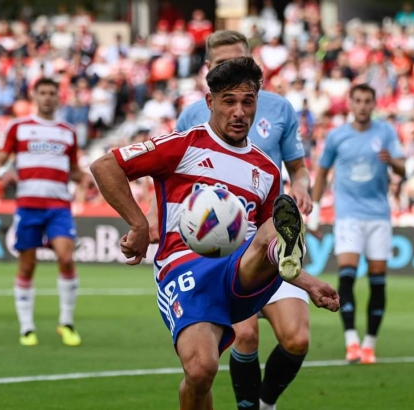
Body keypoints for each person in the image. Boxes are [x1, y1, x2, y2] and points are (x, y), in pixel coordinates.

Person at [89, 57, 339, 410]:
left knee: (275, 225)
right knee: (201, 371)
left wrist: (309, 282)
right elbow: (105, 166)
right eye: (229, 101)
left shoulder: (266, 170)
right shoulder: (184, 145)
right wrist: (139, 224)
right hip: (184, 266)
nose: (239, 111)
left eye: (248, 101)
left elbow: (270, 242)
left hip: (240, 268)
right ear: (210, 102)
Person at [174, 31, 313, 410]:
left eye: (238, 61)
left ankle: (266, 403)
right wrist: (152, 223)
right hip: (222, 248)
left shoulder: (280, 108)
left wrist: (302, 189)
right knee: (245, 334)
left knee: (297, 338)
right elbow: (171, 179)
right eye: (221, 64)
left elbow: (299, 170)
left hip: (272, 237)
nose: (231, 69)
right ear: (208, 70)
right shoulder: (191, 115)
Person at [308, 83, 406, 364]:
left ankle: (369, 345)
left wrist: (393, 163)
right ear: (350, 103)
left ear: (374, 104)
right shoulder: (337, 136)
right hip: (348, 215)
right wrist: (313, 212)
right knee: (347, 274)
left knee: (378, 280)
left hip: (378, 216)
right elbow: (323, 171)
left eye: (367, 101)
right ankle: (351, 340)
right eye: (358, 100)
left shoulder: (385, 132)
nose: (362, 105)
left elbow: (403, 167)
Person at [0, 78, 85, 347]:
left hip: (58, 206)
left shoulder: (68, 131)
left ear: (59, 97)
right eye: (42, 93)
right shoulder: (19, 127)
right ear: (34, 96)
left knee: (66, 258)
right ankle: (27, 327)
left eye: (52, 93)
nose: (47, 97)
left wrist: (87, 177)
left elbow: (74, 169)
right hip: (28, 205)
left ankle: (66, 322)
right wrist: (1, 172)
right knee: (27, 264)